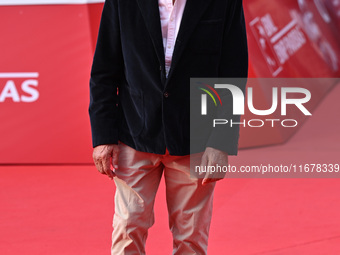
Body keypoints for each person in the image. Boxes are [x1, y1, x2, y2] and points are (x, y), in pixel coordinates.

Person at [89, 0, 248, 254]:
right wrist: (103, 136)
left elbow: (233, 74)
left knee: (191, 238)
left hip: (194, 137)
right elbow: (104, 71)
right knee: (127, 228)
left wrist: (221, 142)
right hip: (135, 132)